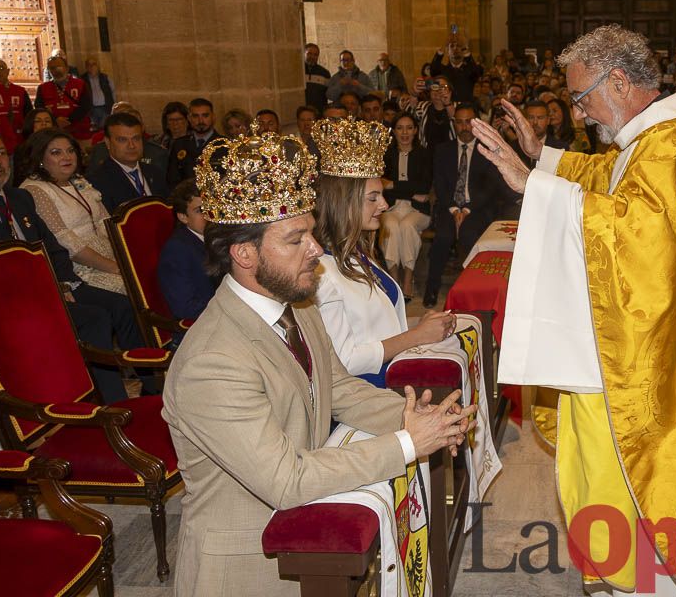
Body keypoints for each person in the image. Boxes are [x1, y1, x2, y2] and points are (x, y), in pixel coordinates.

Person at [469, 25, 676, 597]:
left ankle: (648, 581)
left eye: (582, 97)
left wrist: (532, 187)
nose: (581, 112)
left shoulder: (673, 145)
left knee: (635, 468)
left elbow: (644, 241)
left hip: (656, 358)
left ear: (618, 80)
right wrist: (545, 160)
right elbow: (612, 181)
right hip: (654, 334)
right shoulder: (654, 141)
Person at [162, 131, 471, 597]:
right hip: (250, 564)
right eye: (296, 239)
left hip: (307, 530)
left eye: (311, 232)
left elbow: (339, 387)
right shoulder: (212, 362)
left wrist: (414, 418)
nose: (315, 249)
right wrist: (407, 444)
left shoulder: (296, 305)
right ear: (244, 254)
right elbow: (286, 480)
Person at [0, 126, 143, 404]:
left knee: (103, 312)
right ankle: (90, 401)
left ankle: (114, 402)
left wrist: (63, 283)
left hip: (52, 287)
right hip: (5, 304)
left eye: (1, 154)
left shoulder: (17, 198)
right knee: (96, 315)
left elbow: (52, 247)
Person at [310, 117, 453, 384]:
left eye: (381, 195)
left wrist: (418, 324)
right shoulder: (319, 272)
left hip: (395, 375)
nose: (385, 205)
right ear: (344, 204)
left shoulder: (357, 252)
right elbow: (344, 360)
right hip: (369, 395)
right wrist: (417, 335)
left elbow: (375, 329)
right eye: (373, 198)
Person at [18, 129, 127, 295]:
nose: (67, 157)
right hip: (80, 268)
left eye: (70, 151)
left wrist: (125, 257)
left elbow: (106, 221)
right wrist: (114, 267)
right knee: (130, 288)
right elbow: (66, 243)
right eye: (56, 152)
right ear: (40, 158)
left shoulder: (77, 180)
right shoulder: (35, 190)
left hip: (110, 256)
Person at [422, 104, 507, 308]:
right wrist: (454, 210)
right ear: (454, 124)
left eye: (468, 121)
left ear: (476, 123)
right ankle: (431, 289)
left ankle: (475, 290)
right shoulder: (443, 150)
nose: (464, 127)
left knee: (470, 236)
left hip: (477, 209)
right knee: (442, 238)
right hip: (448, 208)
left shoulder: (486, 150)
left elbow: (490, 188)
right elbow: (440, 185)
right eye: (459, 122)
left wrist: (467, 210)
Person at [380, 114, 433, 299]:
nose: (405, 132)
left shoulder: (424, 154)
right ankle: (395, 281)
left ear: (416, 130)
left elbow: (424, 186)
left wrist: (393, 185)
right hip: (391, 208)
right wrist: (412, 192)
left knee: (407, 225)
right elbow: (381, 186)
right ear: (394, 131)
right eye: (400, 128)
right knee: (390, 227)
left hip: (418, 211)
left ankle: (407, 280)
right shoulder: (386, 155)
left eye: (409, 127)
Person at [157, 178, 217, 323]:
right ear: (183, 217)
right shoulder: (177, 251)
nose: (210, 214)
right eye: (200, 210)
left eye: (212, 206)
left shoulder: (221, 235)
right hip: (204, 326)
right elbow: (185, 307)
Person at [87, 112, 169, 212]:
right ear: (108, 143)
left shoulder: (155, 172)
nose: (131, 146)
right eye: (122, 140)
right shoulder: (97, 181)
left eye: (136, 138)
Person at [35, 54, 92, 140]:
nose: (55, 70)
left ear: (67, 68)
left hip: (79, 132)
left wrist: (68, 120)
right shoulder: (43, 88)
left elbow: (86, 106)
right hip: (53, 134)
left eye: (58, 66)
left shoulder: (80, 84)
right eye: (52, 68)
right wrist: (55, 121)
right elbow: (39, 108)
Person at [167, 98, 220, 186]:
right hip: (186, 197)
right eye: (195, 116)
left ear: (213, 117)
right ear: (189, 118)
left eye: (205, 115)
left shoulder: (225, 145)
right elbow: (172, 180)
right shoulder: (179, 145)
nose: (201, 121)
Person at [0, 57, 32, 132]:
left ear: (7, 71)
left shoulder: (20, 91)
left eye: (1, 68)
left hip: (19, 134)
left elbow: (29, 115)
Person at [82, 58, 116, 130]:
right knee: (93, 130)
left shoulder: (105, 78)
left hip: (105, 108)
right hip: (91, 110)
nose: (91, 67)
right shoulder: (82, 79)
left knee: (104, 129)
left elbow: (113, 91)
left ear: (98, 66)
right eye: (89, 65)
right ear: (86, 67)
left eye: (94, 64)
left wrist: (113, 106)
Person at [302, 42, 330, 110]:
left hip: (318, 110)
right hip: (301, 110)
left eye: (315, 55)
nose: (312, 57)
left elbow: (328, 94)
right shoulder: (297, 71)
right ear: (304, 54)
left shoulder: (324, 73)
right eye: (309, 53)